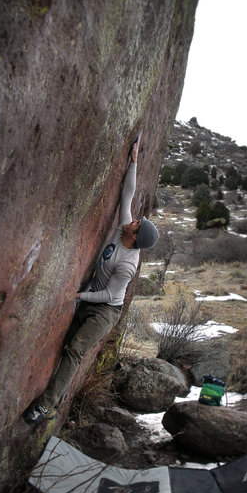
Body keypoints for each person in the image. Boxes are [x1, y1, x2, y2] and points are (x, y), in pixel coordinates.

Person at [23, 137, 159, 425]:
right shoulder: (124, 227)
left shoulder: (127, 265)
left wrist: (77, 296)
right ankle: (55, 403)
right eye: (136, 220)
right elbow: (127, 195)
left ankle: (46, 407)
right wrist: (134, 160)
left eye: (136, 224)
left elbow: (110, 297)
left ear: (134, 238)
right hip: (91, 296)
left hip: (104, 310)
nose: (133, 219)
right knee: (63, 345)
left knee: (74, 350)